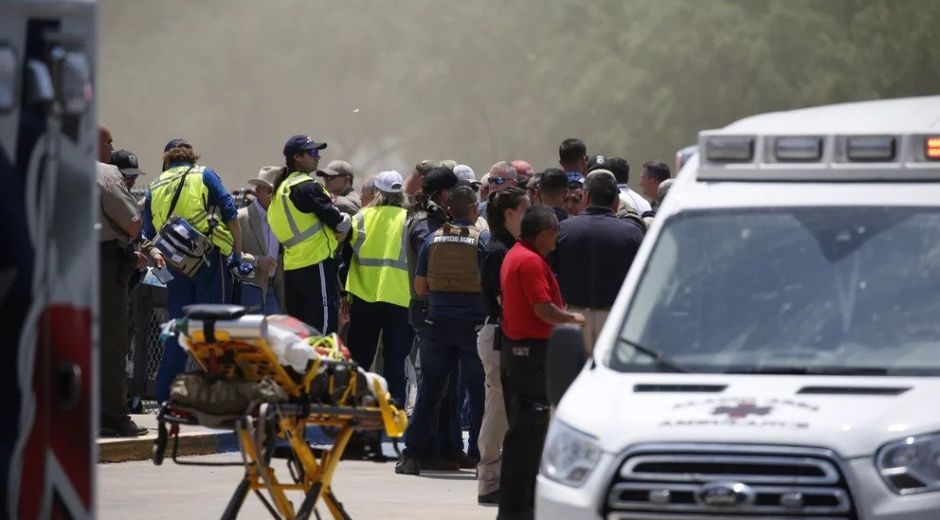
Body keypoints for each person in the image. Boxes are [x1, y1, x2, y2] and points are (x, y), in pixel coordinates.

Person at [498, 206, 584, 520]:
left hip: (524, 352)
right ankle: (517, 509)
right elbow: (543, 310)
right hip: (529, 355)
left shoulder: (519, 255)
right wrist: (572, 318)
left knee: (527, 433)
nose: (558, 236)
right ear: (542, 233)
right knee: (527, 433)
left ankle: (520, 506)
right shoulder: (530, 261)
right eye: (554, 231)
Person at [397, 186, 488, 475]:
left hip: (437, 326)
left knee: (429, 391)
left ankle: (411, 455)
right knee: (478, 393)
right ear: (474, 209)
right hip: (474, 327)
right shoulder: (481, 241)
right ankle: (480, 455)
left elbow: (420, 288)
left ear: (451, 210)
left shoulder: (433, 240)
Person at [145, 138, 243, 402]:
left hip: (176, 265)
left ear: (166, 159)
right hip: (209, 261)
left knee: (179, 329)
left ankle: (166, 395)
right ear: (192, 156)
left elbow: (147, 235)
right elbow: (231, 214)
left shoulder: (154, 186)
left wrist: (157, 254)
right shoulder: (204, 175)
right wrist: (236, 254)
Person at [401, 166, 464, 471]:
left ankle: (448, 447)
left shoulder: (439, 220)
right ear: (442, 193)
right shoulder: (425, 224)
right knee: (433, 385)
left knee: (449, 385)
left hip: (442, 310)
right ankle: (419, 450)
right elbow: (435, 261)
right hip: (428, 309)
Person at [477, 187, 529, 505]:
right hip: (499, 335)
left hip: (508, 335)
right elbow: (504, 301)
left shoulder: (512, 246)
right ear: (510, 213)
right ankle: (489, 480)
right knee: (496, 410)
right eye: (525, 208)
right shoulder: (498, 250)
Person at [268, 135, 351, 334]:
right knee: (322, 331)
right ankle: (320, 365)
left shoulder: (280, 190)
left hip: (292, 268)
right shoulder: (306, 186)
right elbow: (338, 222)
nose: (318, 157)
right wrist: (346, 220)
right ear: (297, 157)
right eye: (312, 152)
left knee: (299, 332)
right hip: (317, 264)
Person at [552, 170, 644, 350]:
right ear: (616, 201)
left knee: (573, 376)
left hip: (571, 318)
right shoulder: (633, 233)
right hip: (616, 320)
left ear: (586, 197)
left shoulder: (562, 230)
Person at [344, 170, 414, 403]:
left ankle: (355, 408)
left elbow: (345, 257)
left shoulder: (361, 217)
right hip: (401, 298)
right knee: (395, 360)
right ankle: (394, 413)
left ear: (377, 193)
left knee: (360, 358)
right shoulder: (410, 219)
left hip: (364, 296)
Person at [96, 125, 147, 437]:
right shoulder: (105, 173)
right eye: (109, 141)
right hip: (102, 264)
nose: (112, 147)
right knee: (112, 342)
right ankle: (114, 417)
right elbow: (132, 223)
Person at [238, 166, 285, 314]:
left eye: (279, 192)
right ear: (258, 191)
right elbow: (229, 256)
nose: (276, 196)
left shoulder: (283, 218)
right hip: (249, 290)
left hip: (276, 290)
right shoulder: (241, 218)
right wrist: (257, 261)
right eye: (271, 191)